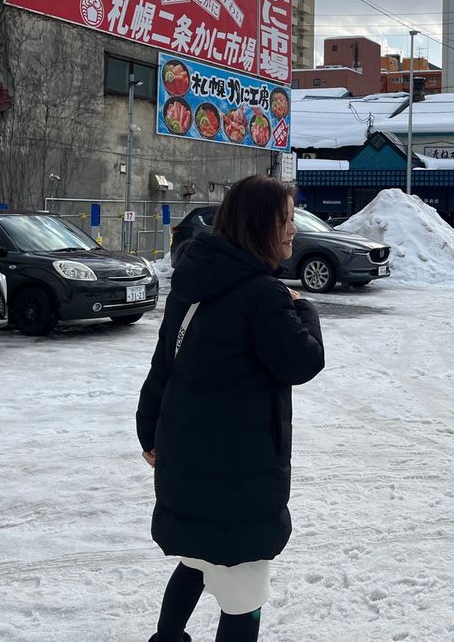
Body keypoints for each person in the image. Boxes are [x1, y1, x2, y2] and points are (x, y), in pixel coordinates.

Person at [137, 175, 325, 642]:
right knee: (244, 592)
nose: (292, 229)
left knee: (196, 558)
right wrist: (305, 310)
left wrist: (149, 432)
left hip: (189, 461)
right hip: (239, 477)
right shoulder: (263, 295)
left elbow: (165, 363)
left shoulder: (194, 280)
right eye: (284, 219)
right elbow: (303, 361)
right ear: (258, 224)